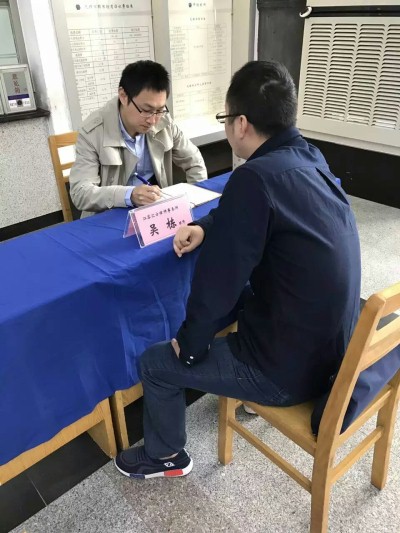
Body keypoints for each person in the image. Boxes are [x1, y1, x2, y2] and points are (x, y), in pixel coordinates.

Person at [114, 61, 361, 479]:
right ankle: (228, 376)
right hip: (334, 350)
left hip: (288, 374)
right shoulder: (308, 156)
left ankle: (166, 455)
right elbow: (251, 218)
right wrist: (205, 227)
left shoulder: (254, 179)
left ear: (241, 123)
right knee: (237, 297)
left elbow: (218, 280)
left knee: (156, 363)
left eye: (225, 119)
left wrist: (189, 346)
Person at [69, 61, 206, 217]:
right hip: (110, 215)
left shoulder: (164, 122)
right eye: (146, 110)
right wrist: (129, 195)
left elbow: (194, 162)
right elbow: (80, 193)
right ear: (123, 96)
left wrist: (194, 203)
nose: (153, 120)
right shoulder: (93, 132)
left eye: (160, 110)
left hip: (154, 212)